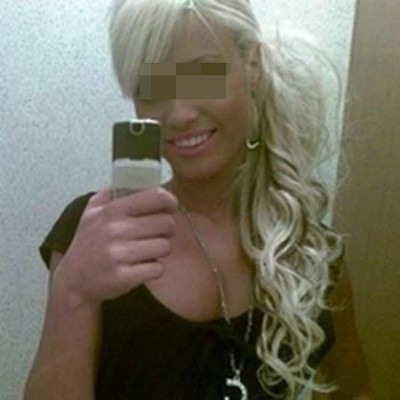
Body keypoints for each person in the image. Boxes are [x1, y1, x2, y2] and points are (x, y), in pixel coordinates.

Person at [24, 0, 373, 399]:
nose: (179, 114)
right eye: (153, 87)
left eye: (203, 76)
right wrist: (73, 293)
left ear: (252, 64)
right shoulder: (98, 233)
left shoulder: (312, 254)